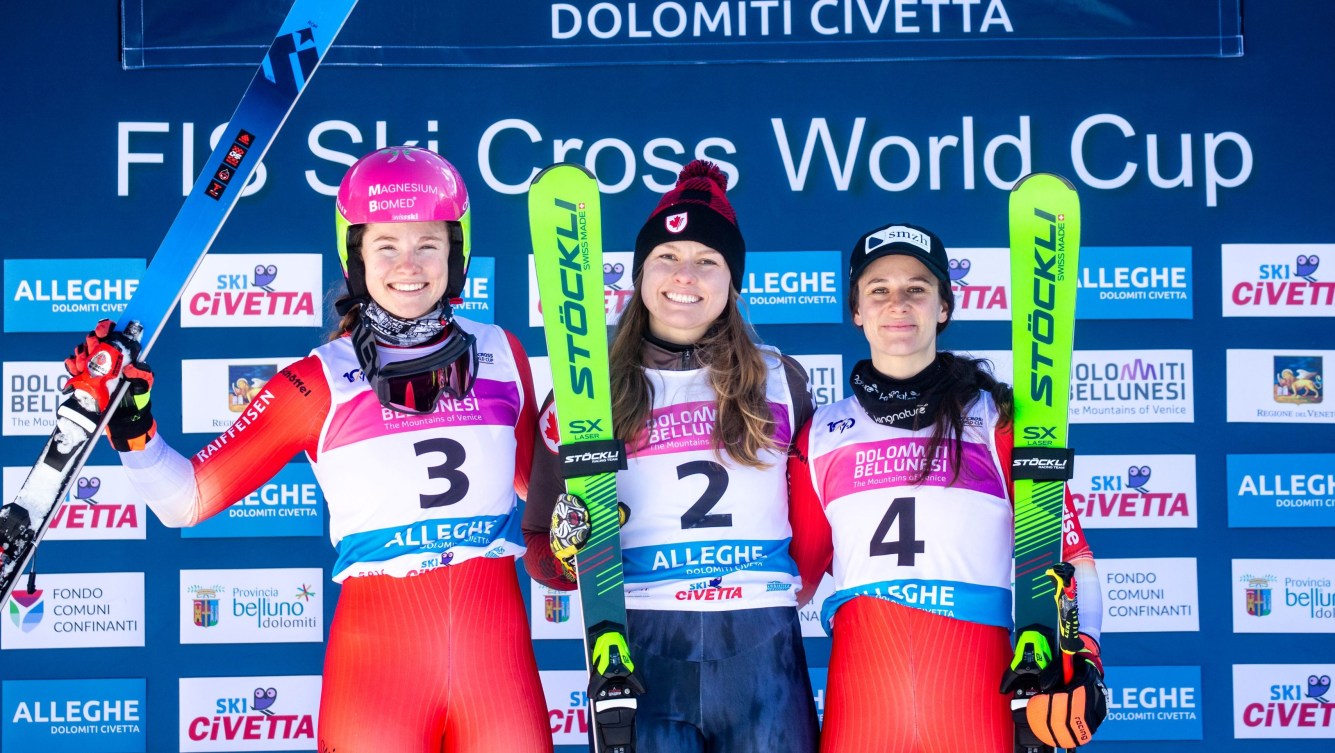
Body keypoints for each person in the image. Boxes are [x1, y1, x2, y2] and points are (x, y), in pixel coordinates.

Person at [62, 147, 552, 753]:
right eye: (385, 246)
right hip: (379, 675)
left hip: (496, 662)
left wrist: (580, 475)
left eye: (428, 243)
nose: (409, 264)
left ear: (456, 252)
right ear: (356, 257)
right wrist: (133, 430)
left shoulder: (503, 352)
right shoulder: (315, 381)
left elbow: (541, 495)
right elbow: (185, 501)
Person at [523, 160, 821, 752]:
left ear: (732, 281)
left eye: (707, 261)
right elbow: (540, 541)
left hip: (762, 639)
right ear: (638, 274)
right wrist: (564, 555)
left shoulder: (781, 378)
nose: (686, 274)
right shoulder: (587, 391)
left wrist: (790, 586)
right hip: (640, 642)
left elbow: (814, 522)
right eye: (667, 256)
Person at [786, 222, 1108, 753]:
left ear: (943, 308)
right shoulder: (819, 435)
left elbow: (1071, 556)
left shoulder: (999, 422)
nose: (899, 304)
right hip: (863, 697)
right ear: (856, 312)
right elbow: (793, 581)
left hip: (977, 692)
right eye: (879, 290)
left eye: (917, 288)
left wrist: (1085, 656)